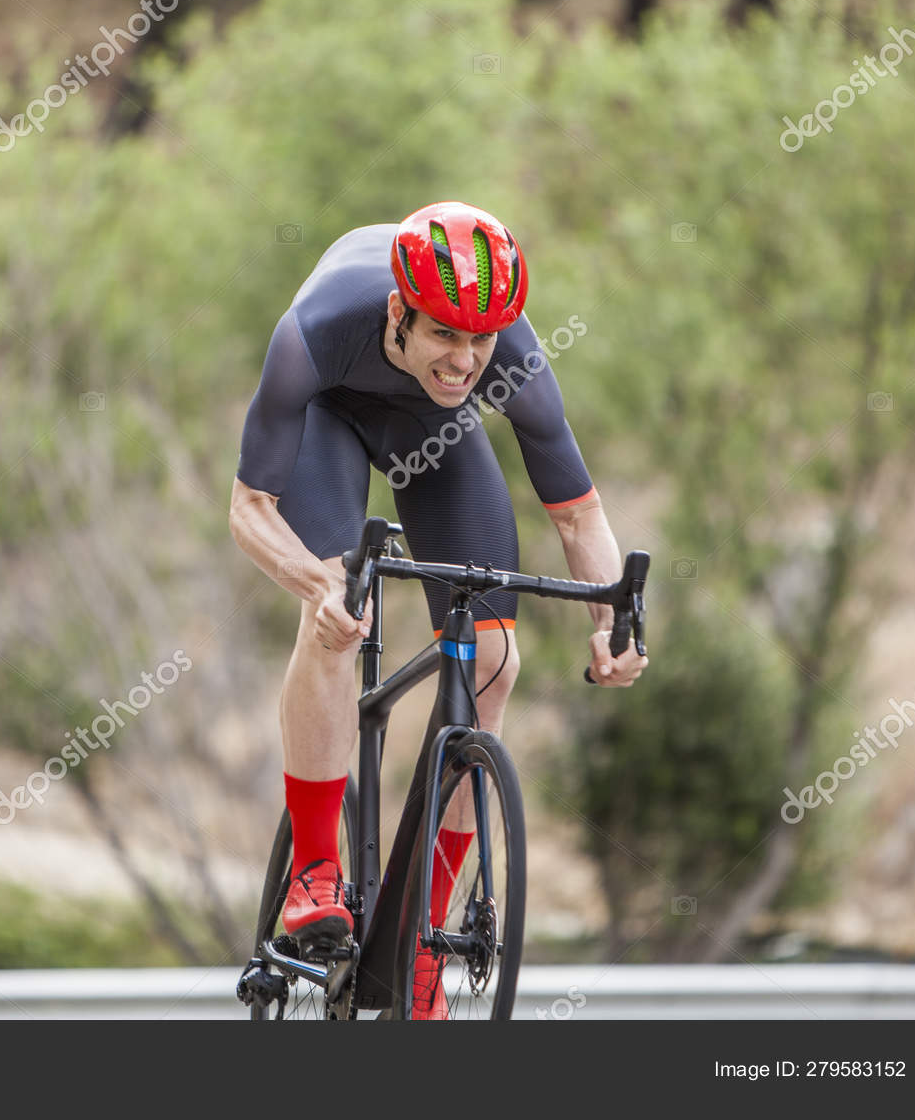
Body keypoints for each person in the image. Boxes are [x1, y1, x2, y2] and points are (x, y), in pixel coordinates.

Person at [229, 200, 648, 1017]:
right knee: (337, 618)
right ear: (399, 311)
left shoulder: (508, 354)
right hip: (329, 418)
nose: (465, 359)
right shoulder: (316, 328)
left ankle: (426, 929)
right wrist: (317, 586)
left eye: (480, 340)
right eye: (445, 335)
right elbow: (249, 506)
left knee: (493, 659)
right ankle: (316, 867)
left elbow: (578, 512)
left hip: (436, 434)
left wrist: (610, 623)